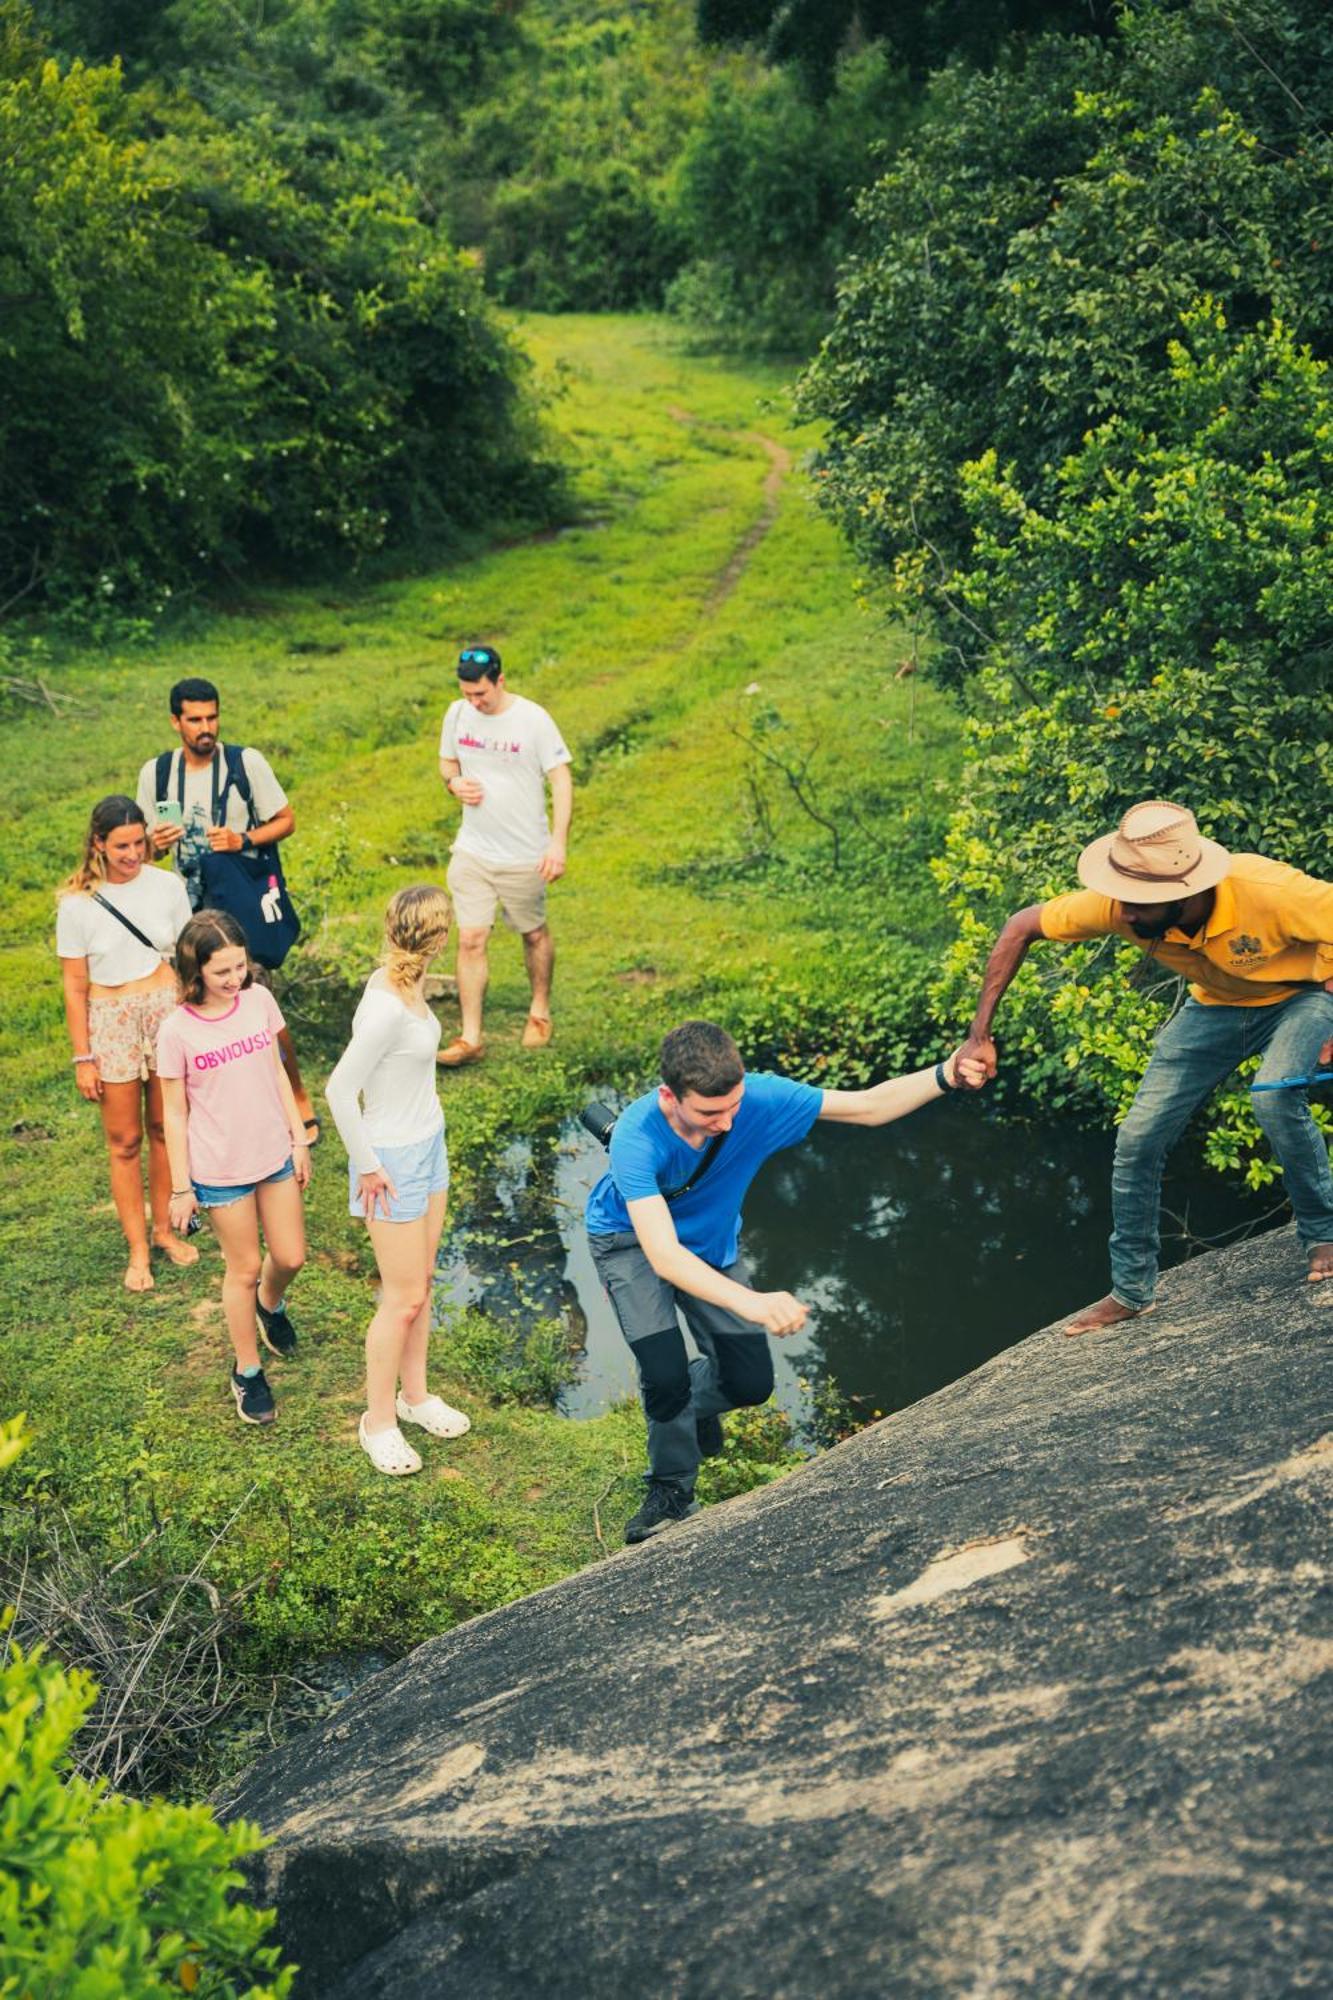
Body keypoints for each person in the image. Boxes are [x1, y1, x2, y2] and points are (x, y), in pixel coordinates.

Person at [586, 1018, 989, 1544]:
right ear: (669, 1095)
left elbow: (868, 1107)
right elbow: (663, 1255)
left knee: (750, 1385)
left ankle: (689, 1406)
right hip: (629, 1244)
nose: (727, 1123)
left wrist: (946, 1074)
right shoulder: (637, 1138)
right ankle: (671, 1492)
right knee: (664, 1377)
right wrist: (751, 1304)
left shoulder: (759, 1098)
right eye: (710, 1112)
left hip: (711, 1246)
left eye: (733, 1106)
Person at [953, 799, 1333, 1336]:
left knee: (1271, 1094)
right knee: (1137, 1137)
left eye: (1139, 903)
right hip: (1217, 1008)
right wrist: (979, 1036)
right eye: (1123, 897)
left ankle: (1323, 1233)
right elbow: (1020, 927)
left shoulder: (1269, 891)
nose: (1124, 914)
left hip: (1301, 997)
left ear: (1183, 893)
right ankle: (1132, 1292)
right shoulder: (1119, 905)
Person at [325, 885, 470, 1475]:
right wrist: (367, 1164)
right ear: (437, 936)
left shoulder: (407, 983)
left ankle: (416, 1398)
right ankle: (377, 1422)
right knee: (402, 1297)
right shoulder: (386, 1003)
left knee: (422, 1286)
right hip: (391, 1160)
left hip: (427, 1145)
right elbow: (339, 1089)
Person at [135, 677, 318, 1140]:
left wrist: (244, 839)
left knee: (257, 1004)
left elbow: (287, 820)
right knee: (195, 1009)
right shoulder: (156, 774)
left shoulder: (244, 762)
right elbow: (142, 854)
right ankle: (220, 1110)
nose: (206, 728)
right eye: (195, 719)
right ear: (175, 721)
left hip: (237, 908)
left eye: (212, 717)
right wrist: (155, 844)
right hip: (182, 915)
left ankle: (295, 1094)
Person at [158, 911, 310, 1426]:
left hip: (273, 1155)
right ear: (194, 971)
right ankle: (247, 1371)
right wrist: (181, 1189)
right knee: (243, 1268)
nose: (234, 980)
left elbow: (277, 1070)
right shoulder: (176, 1031)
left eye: (239, 967)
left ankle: (271, 1305)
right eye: (221, 972)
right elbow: (174, 1113)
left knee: (290, 1257)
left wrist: (299, 1137)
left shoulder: (260, 1001)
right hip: (221, 1170)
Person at [57, 796, 197, 1291]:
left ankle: (163, 1230)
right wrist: (83, 1056)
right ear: (98, 843)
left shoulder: (167, 887)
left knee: (164, 1126)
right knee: (124, 1141)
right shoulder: (76, 904)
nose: (133, 854)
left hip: (164, 1007)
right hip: (110, 1018)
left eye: (139, 843)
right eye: (121, 846)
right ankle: (137, 1247)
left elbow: (186, 958)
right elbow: (75, 986)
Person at [437, 643, 572, 1066]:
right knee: (471, 938)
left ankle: (539, 1011)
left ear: (500, 681)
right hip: (473, 848)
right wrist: (454, 784)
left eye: (482, 694)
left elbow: (562, 780)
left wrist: (558, 843)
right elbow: (447, 764)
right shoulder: (457, 714)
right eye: (467, 694)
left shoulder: (532, 720)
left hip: (523, 854)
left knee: (532, 933)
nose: (474, 702)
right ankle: (471, 1037)